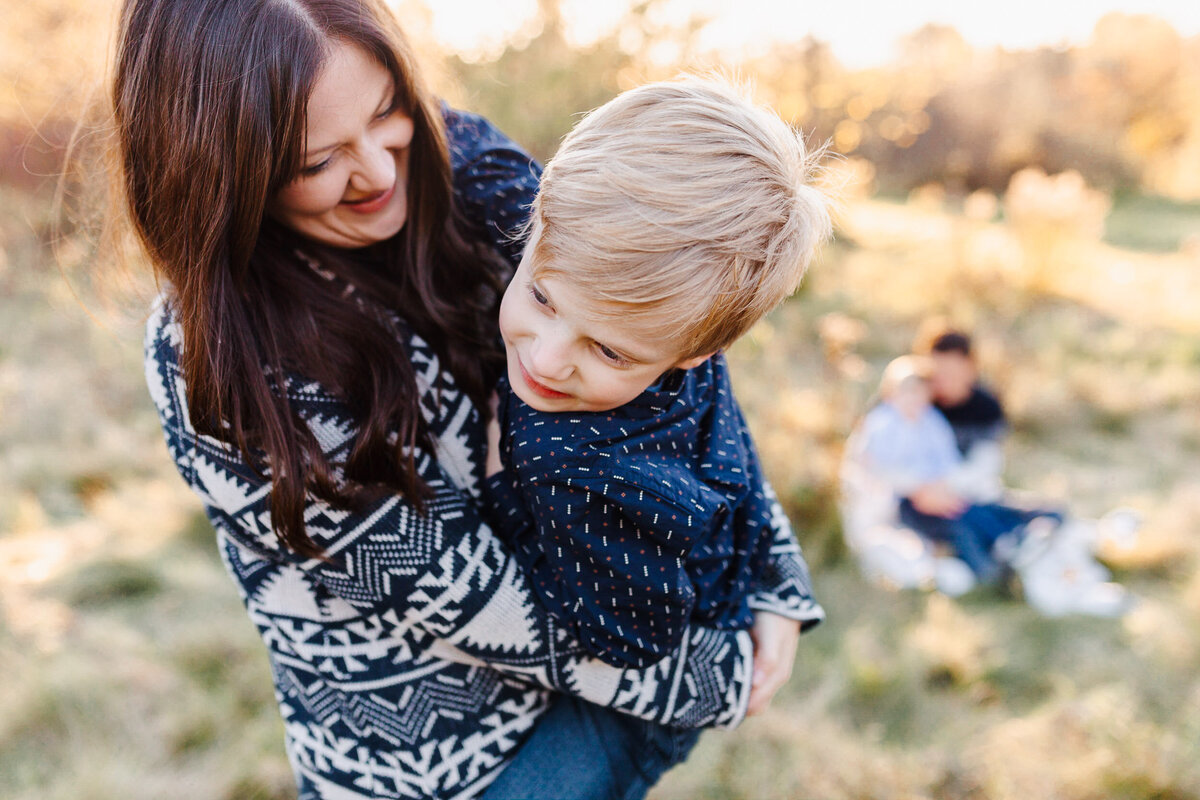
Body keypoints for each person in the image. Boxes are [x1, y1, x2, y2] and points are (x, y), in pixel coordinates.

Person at [111, 1, 817, 797]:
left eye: (389, 113)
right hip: (453, 768)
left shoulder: (471, 175)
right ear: (219, 168)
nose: (380, 172)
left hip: (605, 697)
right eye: (317, 162)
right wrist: (717, 680)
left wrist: (771, 568)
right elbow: (469, 602)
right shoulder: (214, 354)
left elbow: (673, 354)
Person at [474, 78, 828, 794]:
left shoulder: (568, 460)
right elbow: (473, 152)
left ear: (698, 354)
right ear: (538, 216)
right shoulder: (604, 254)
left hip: (647, 683)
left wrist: (498, 486)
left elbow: (630, 640)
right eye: (540, 297)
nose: (544, 358)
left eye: (609, 352)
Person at [852, 357, 1056, 584]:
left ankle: (1008, 542)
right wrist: (920, 489)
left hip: (941, 490)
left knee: (969, 508)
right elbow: (876, 469)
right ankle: (995, 558)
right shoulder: (881, 423)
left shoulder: (931, 421)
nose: (913, 399)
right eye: (907, 392)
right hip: (905, 500)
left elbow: (948, 460)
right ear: (891, 393)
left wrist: (944, 485)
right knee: (957, 520)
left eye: (920, 393)